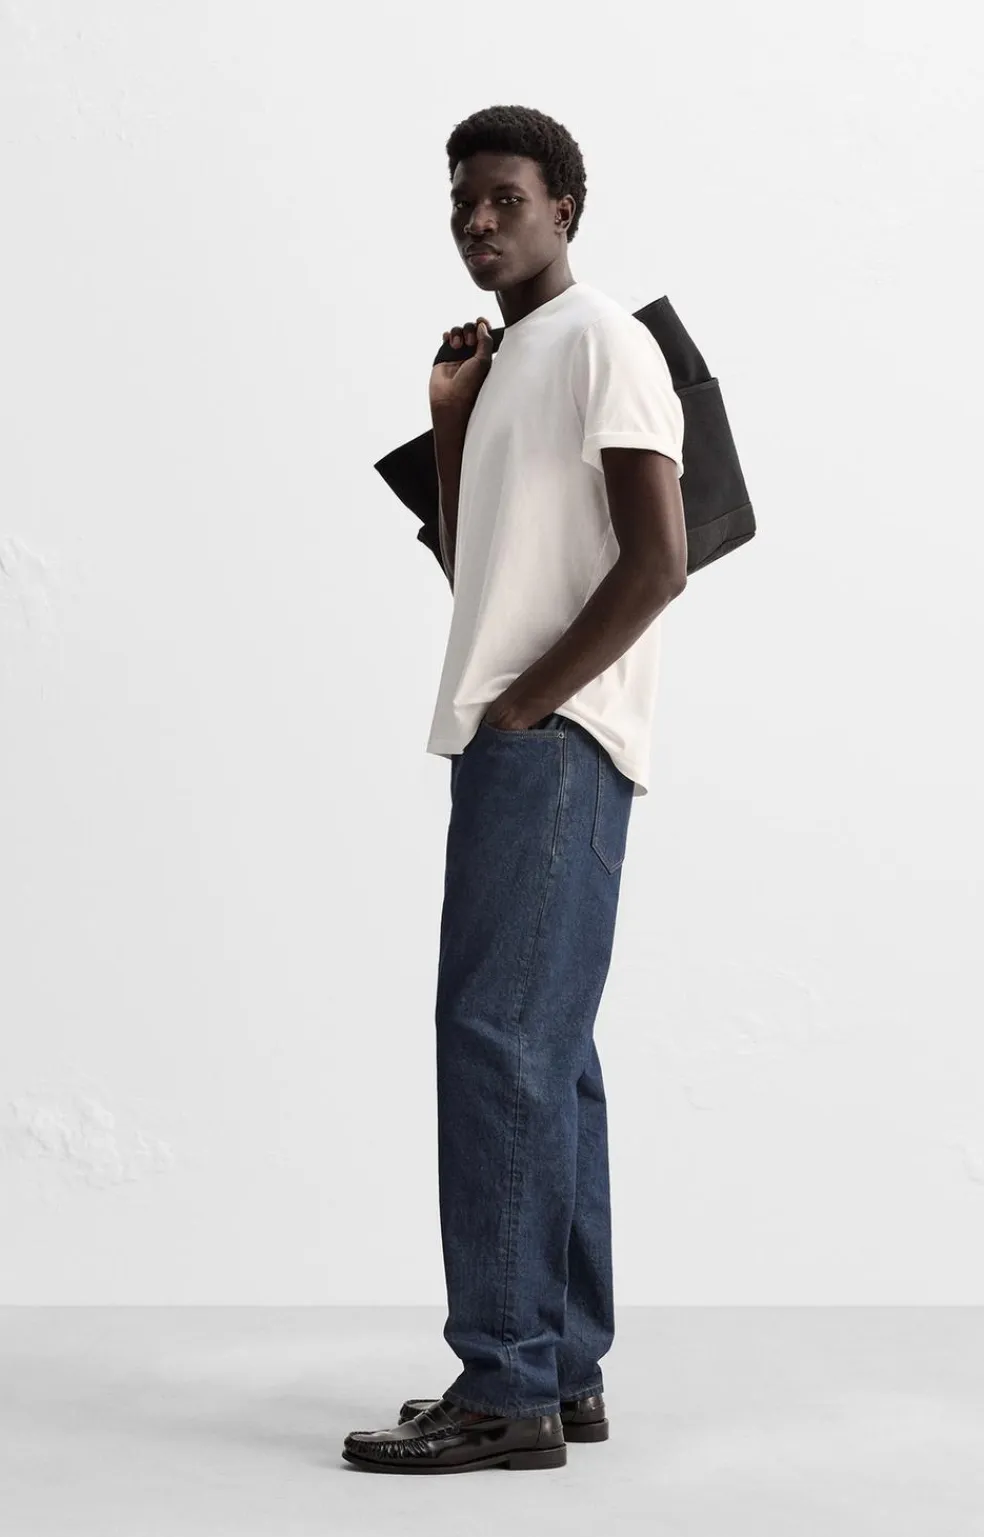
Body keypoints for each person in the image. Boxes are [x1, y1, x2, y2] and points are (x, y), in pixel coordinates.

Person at [343, 104, 687, 1476]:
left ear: (564, 208)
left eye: (504, 199)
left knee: (495, 1045)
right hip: (519, 738)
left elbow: (657, 561)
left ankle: (504, 1387)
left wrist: (534, 703)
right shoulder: (509, 365)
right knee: (547, 1056)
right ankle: (562, 1369)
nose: (477, 222)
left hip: (551, 744)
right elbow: (478, 576)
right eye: (461, 204)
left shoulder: (601, 338)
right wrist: (450, 424)